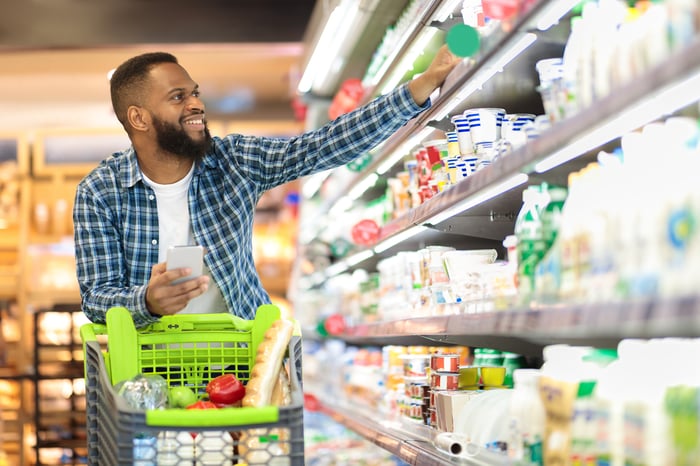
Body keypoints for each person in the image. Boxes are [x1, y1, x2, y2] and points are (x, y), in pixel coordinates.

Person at [73, 45, 460, 327]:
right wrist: (147, 301)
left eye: (195, 93)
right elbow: (96, 298)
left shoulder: (234, 160)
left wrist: (418, 89)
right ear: (138, 118)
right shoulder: (99, 193)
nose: (195, 104)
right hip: (151, 365)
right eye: (178, 97)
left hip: (241, 356)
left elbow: (321, 146)